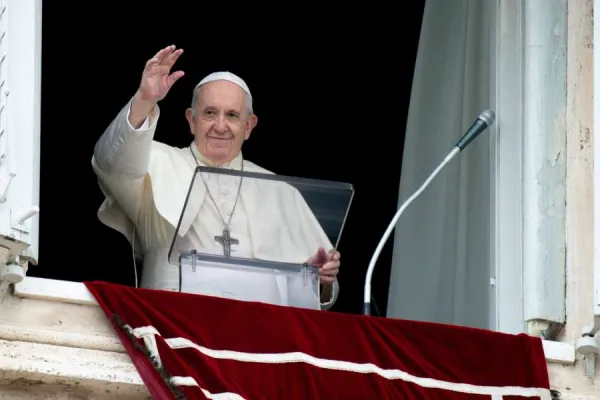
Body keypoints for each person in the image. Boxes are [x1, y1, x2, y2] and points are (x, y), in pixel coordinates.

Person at [92, 45, 341, 310]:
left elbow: (320, 291)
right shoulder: (156, 162)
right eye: (210, 113)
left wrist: (318, 278)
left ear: (248, 126)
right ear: (192, 120)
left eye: (232, 115)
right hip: (173, 323)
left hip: (258, 337)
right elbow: (111, 162)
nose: (220, 126)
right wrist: (145, 99)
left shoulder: (281, 191)